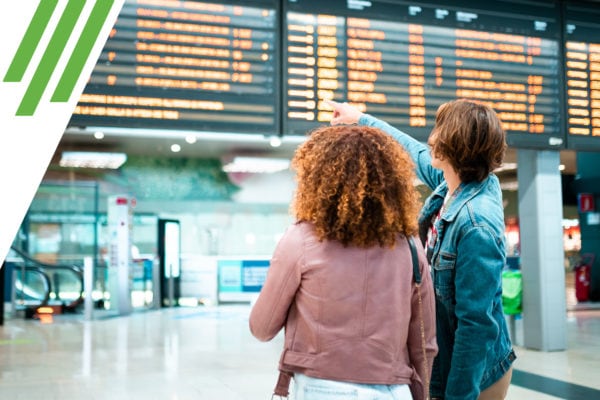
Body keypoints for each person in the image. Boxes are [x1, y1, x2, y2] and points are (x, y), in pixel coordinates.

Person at [328, 99, 516, 400]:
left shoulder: (476, 226)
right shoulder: (456, 181)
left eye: (438, 129)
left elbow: (476, 327)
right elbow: (410, 150)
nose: (430, 138)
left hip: (476, 376)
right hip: (443, 361)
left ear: (451, 147)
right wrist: (360, 118)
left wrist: (457, 395)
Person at [249, 124, 438, 400]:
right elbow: (425, 343)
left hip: (320, 387)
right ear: (391, 181)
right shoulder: (409, 246)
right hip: (393, 389)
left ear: (317, 178)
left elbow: (262, 328)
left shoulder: (300, 239)